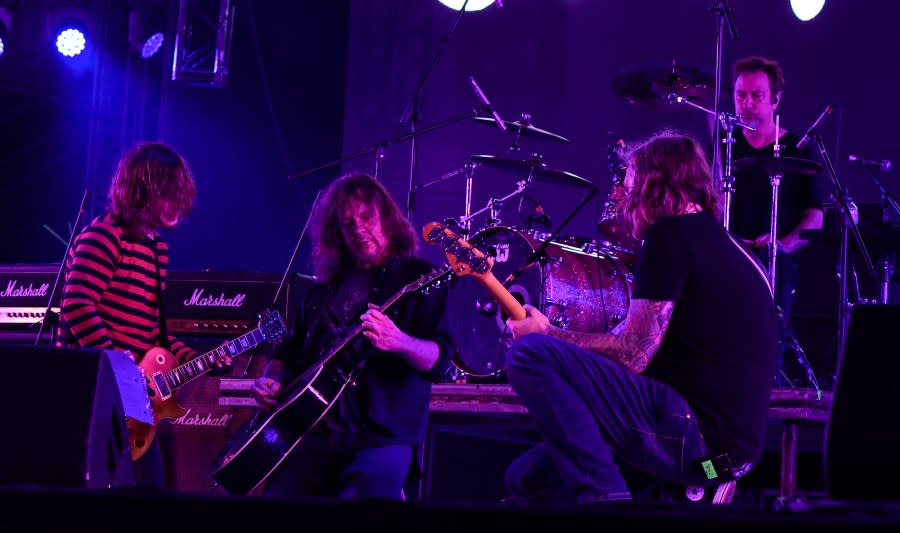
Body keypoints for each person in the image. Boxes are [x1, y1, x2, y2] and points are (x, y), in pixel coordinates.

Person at [502, 130, 779, 505]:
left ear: (654, 186)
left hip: (695, 446)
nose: (622, 199)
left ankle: (607, 501)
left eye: (630, 188)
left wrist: (548, 332)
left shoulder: (670, 236)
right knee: (531, 477)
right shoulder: (730, 245)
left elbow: (633, 355)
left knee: (531, 353)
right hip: (725, 462)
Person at [250, 172, 453, 500]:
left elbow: (439, 360)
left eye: (366, 217)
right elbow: (286, 353)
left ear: (385, 217)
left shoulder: (420, 278)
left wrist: (398, 341)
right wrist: (271, 379)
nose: (359, 229)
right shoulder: (322, 289)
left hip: (381, 439)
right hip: (310, 434)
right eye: (348, 224)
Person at [60, 142, 221, 487]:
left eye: (181, 194)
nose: (177, 203)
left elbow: (151, 334)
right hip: (96, 391)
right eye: (168, 194)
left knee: (149, 491)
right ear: (140, 192)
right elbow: (77, 304)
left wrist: (199, 359)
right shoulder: (105, 235)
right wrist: (122, 370)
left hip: (132, 396)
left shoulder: (157, 249)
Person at [727, 56, 826, 319]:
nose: (746, 104)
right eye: (740, 95)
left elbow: (815, 215)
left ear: (776, 99)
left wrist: (784, 244)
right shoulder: (725, 145)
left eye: (756, 95)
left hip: (774, 265)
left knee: (768, 337)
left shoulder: (798, 149)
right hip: (729, 257)